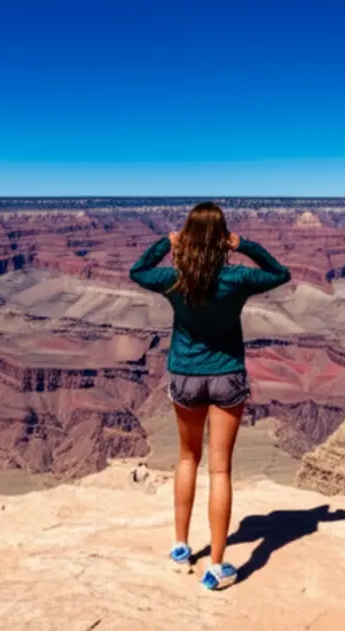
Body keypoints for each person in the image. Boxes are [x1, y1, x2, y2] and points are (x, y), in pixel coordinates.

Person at [128, 201, 291, 590]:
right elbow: (279, 274)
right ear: (222, 239)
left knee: (187, 458)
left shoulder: (174, 279)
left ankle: (181, 547)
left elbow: (137, 271)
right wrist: (244, 244)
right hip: (227, 379)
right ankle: (217, 566)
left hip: (185, 377)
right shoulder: (235, 279)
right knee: (220, 470)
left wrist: (166, 245)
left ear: (187, 237)